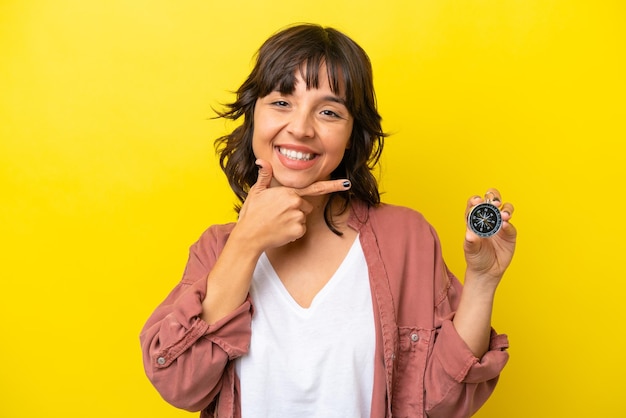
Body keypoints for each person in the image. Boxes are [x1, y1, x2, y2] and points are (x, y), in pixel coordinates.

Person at [140, 23, 516, 418]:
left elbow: (444, 402)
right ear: (254, 116)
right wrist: (246, 243)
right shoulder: (217, 250)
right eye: (282, 103)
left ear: (353, 134)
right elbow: (178, 383)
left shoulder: (406, 238)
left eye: (329, 112)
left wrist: (482, 280)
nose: (301, 128)